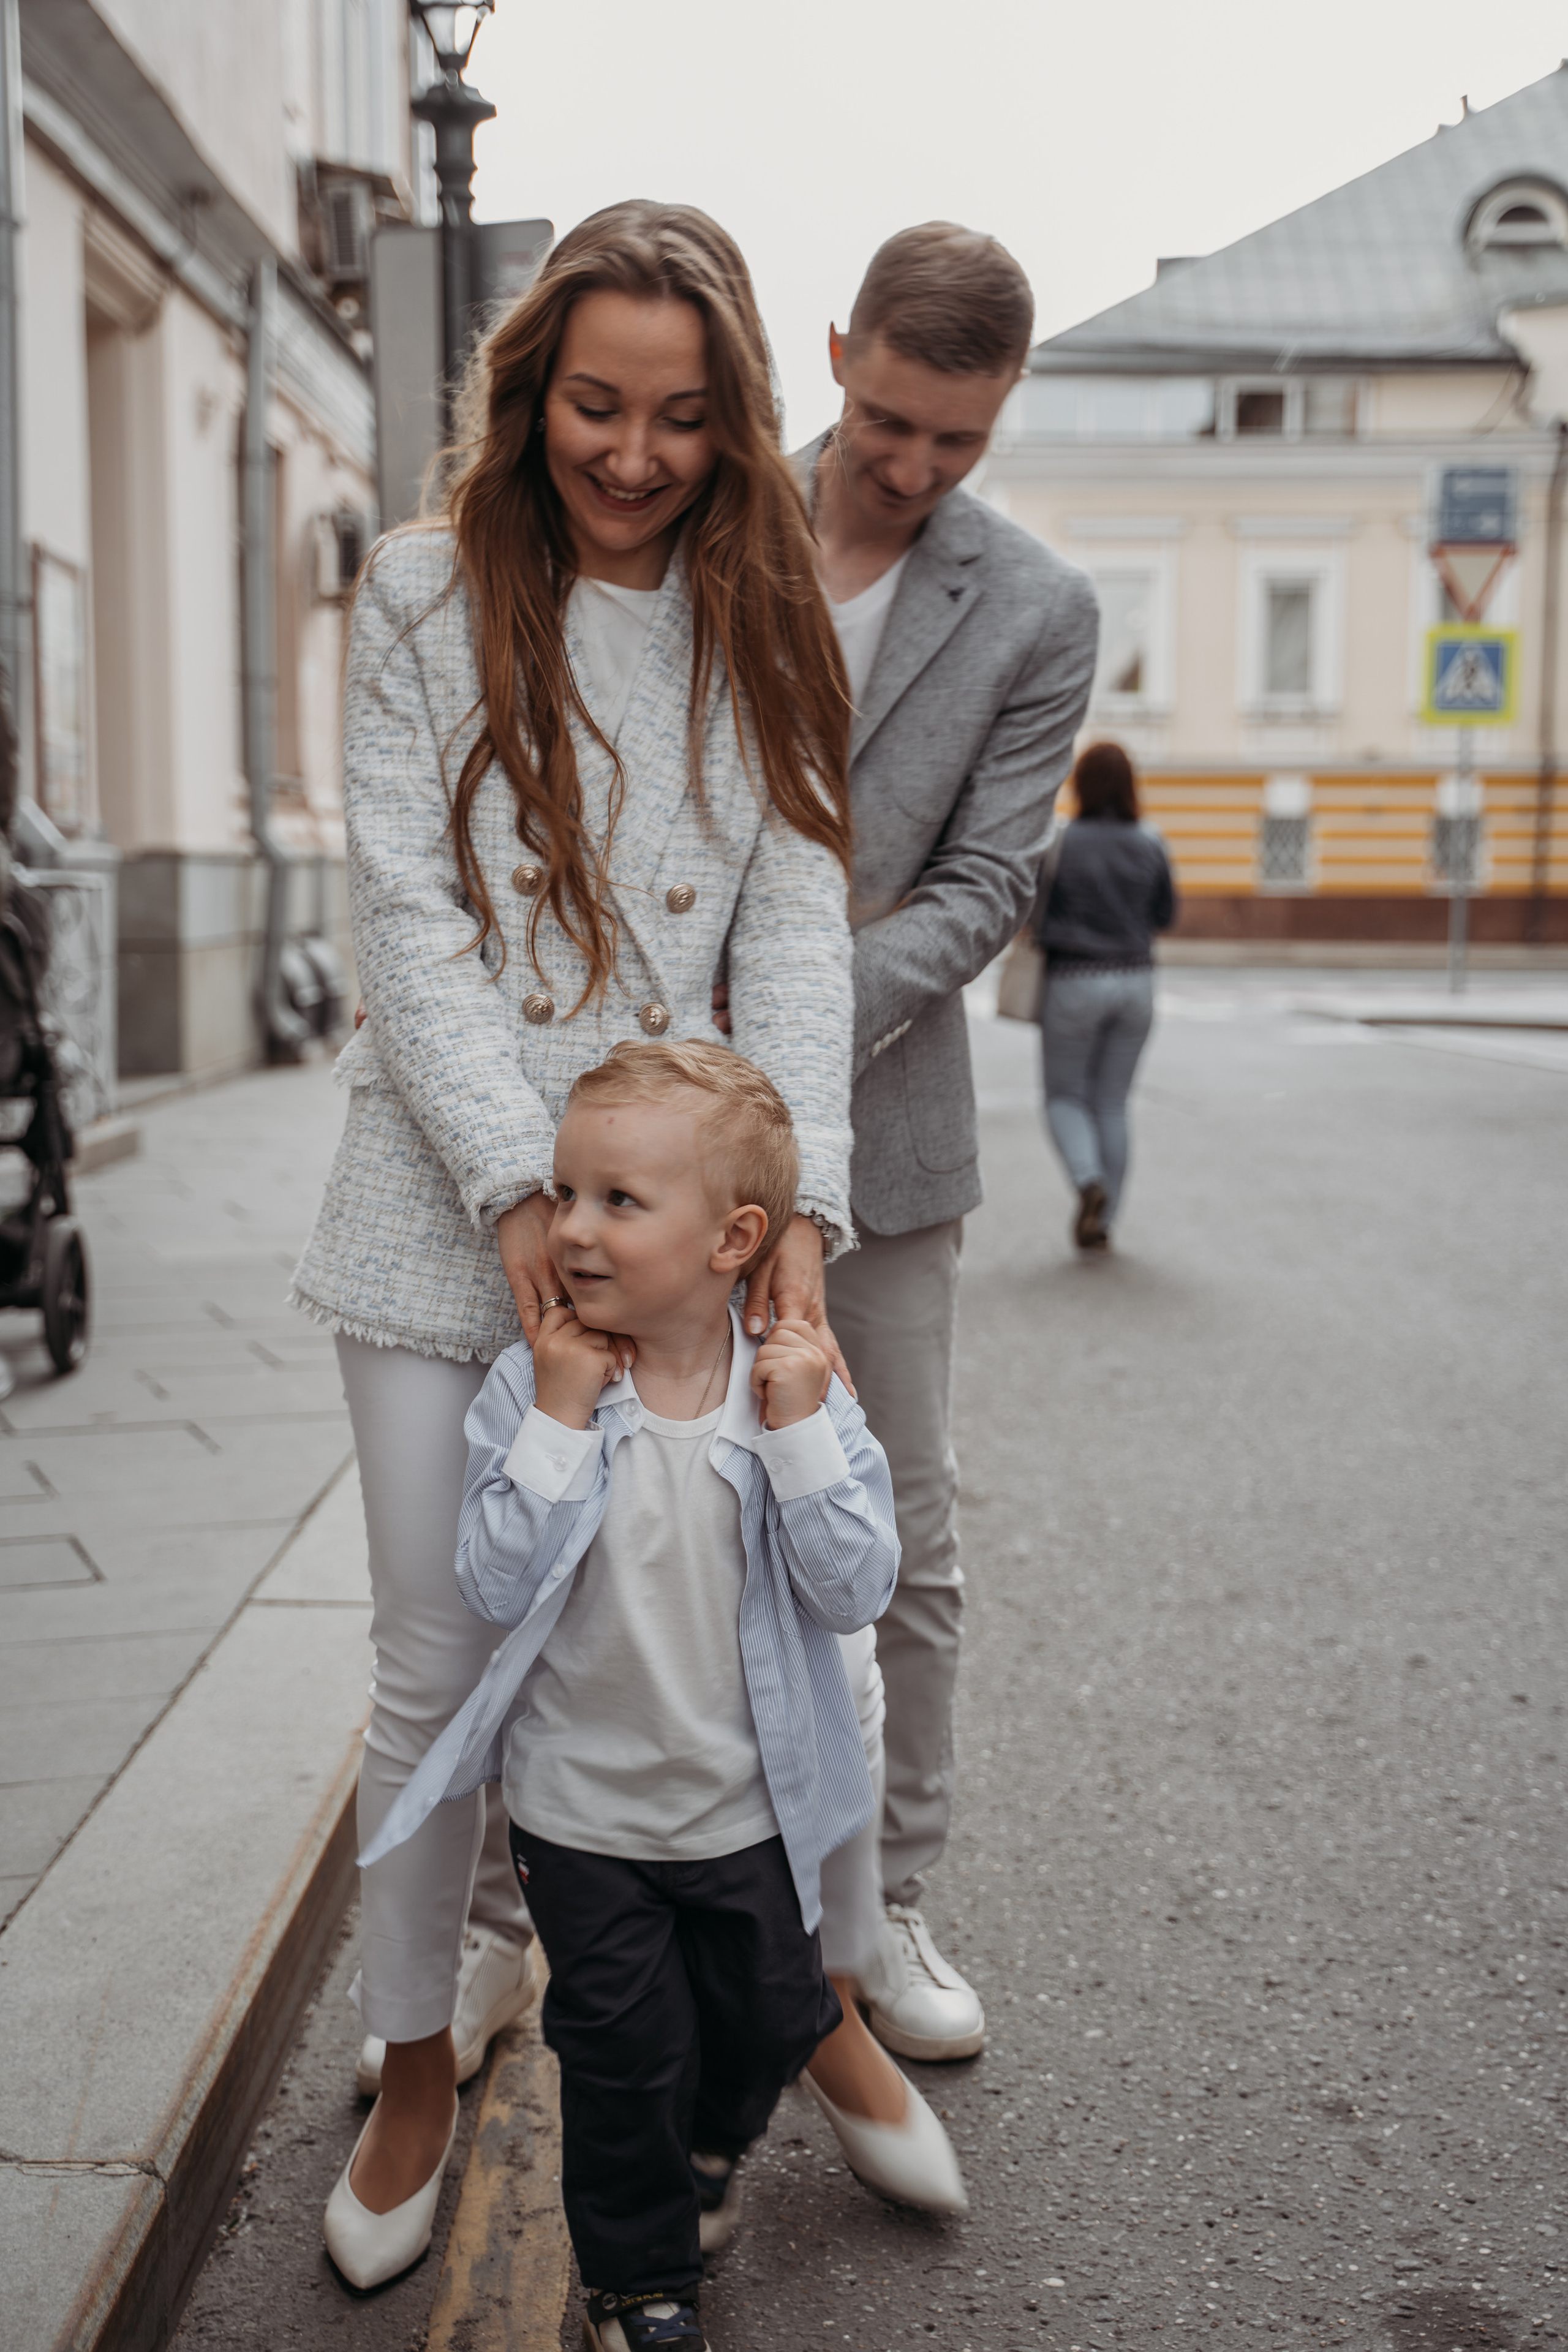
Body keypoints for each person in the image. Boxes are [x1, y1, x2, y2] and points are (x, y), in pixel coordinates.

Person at [290, 199, 860, 2289]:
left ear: (733, 423)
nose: (630, 456)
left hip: (688, 1215)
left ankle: (825, 1997)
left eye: (681, 420)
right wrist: (521, 1196)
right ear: (533, 391)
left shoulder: (760, 612)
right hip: (444, 1215)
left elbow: (795, 925)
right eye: (594, 408)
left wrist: (782, 1222)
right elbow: (411, 929)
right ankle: (418, 2050)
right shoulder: (430, 587)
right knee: (439, 1648)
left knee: (747, 1628)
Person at [341, 1042, 905, 2352]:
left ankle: (711, 2149)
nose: (570, 1231)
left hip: (752, 1818)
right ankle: (639, 2282)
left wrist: (802, 1429)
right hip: (580, 1822)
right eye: (566, 1191)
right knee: (617, 2066)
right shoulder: (531, 1391)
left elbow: (851, 1586)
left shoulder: (796, 1391)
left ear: (735, 1239)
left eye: (616, 1202)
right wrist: (549, 1412)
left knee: (773, 2018)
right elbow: (489, 1582)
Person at [723, 224, 1098, 2064]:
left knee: (903, 1539)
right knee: (632, 1517)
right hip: (649, 1116)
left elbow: (982, 885)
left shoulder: (1033, 606)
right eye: (885, 417)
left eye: (957, 438)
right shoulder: (705, 515)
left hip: (885, 1126)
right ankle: (590, 1900)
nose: (912, 466)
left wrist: (794, 1022)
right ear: (834, 348)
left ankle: (891, 1910)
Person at [1034, 740, 1176, 1251]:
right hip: (1137, 981)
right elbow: (1165, 916)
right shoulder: (1150, 840)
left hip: (1073, 980)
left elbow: (1034, 914)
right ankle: (1107, 1216)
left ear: (1082, 786)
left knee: (1064, 1097)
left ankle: (1088, 1180)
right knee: (1113, 1103)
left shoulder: (1060, 842)